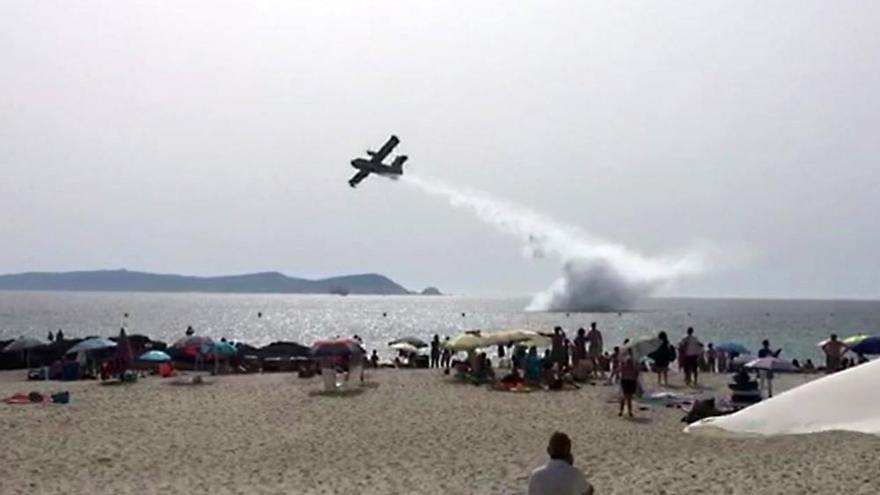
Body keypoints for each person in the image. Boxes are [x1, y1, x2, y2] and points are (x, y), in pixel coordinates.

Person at [527, 432, 594, 495]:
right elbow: (589, 491)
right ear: (568, 452)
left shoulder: (536, 476)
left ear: (548, 450)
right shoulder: (575, 473)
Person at [619, 349, 639, 417]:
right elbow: (636, 374)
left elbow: (620, 372)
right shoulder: (633, 362)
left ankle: (622, 411)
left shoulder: (625, 361)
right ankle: (628, 411)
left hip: (626, 380)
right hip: (630, 381)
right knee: (628, 398)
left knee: (624, 397)